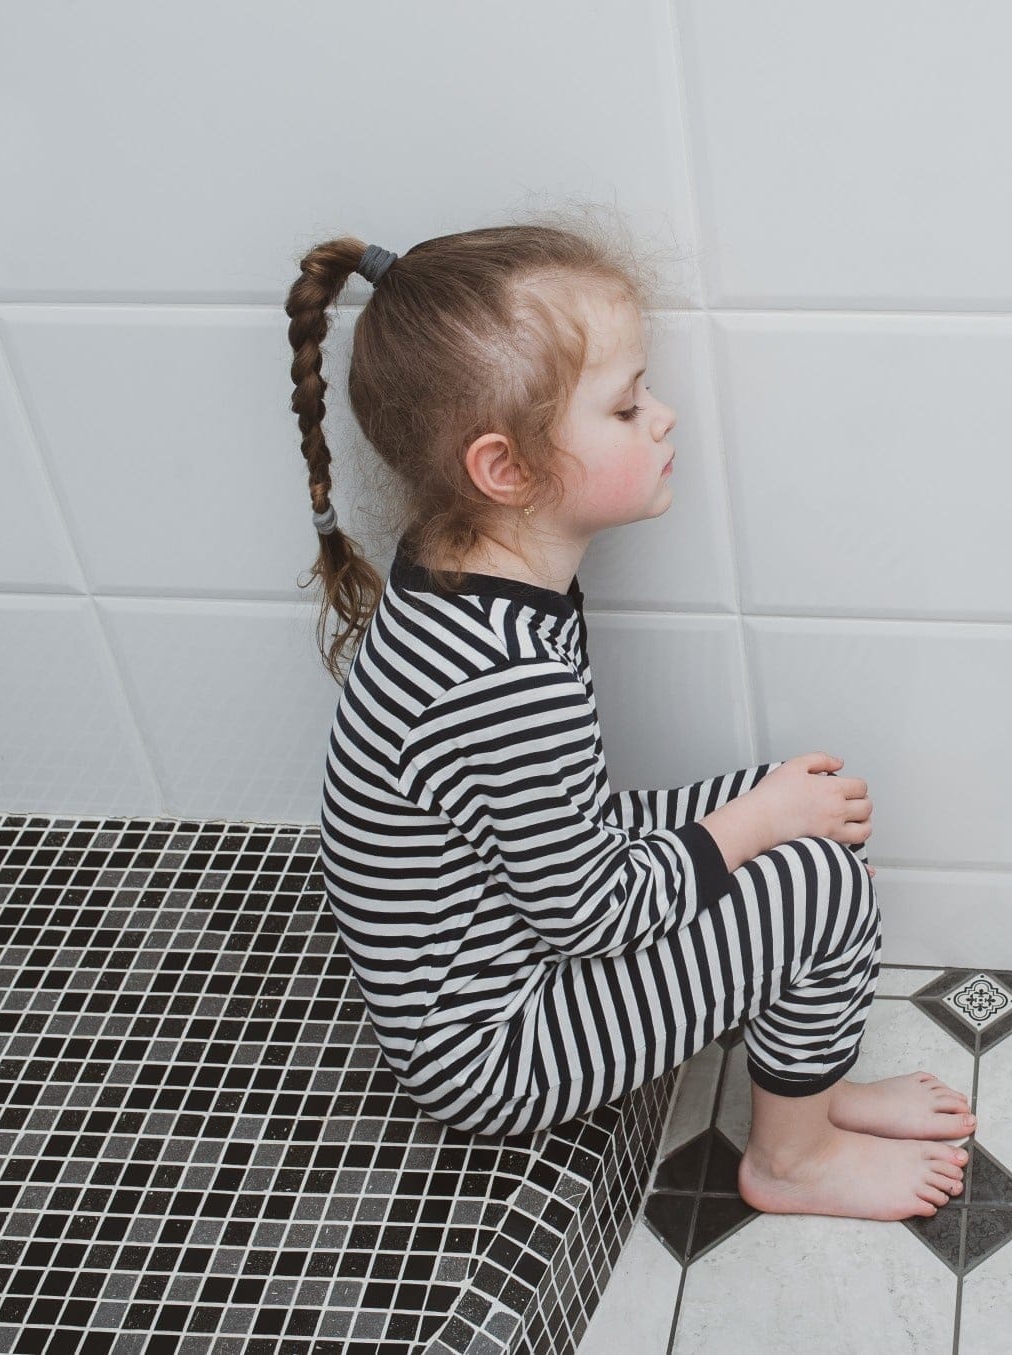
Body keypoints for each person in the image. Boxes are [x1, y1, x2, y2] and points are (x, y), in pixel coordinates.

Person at [286, 217, 973, 1221]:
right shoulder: (503, 680)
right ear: (505, 470)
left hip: (493, 938)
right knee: (816, 872)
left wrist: (768, 807)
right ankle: (793, 1155)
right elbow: (587, 914)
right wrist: (764, 826)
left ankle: (811, 1088)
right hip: (492, 1049)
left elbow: (552, 831)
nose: (662, 417)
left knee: (794, 793)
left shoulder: (460, 568)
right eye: (624, 405)